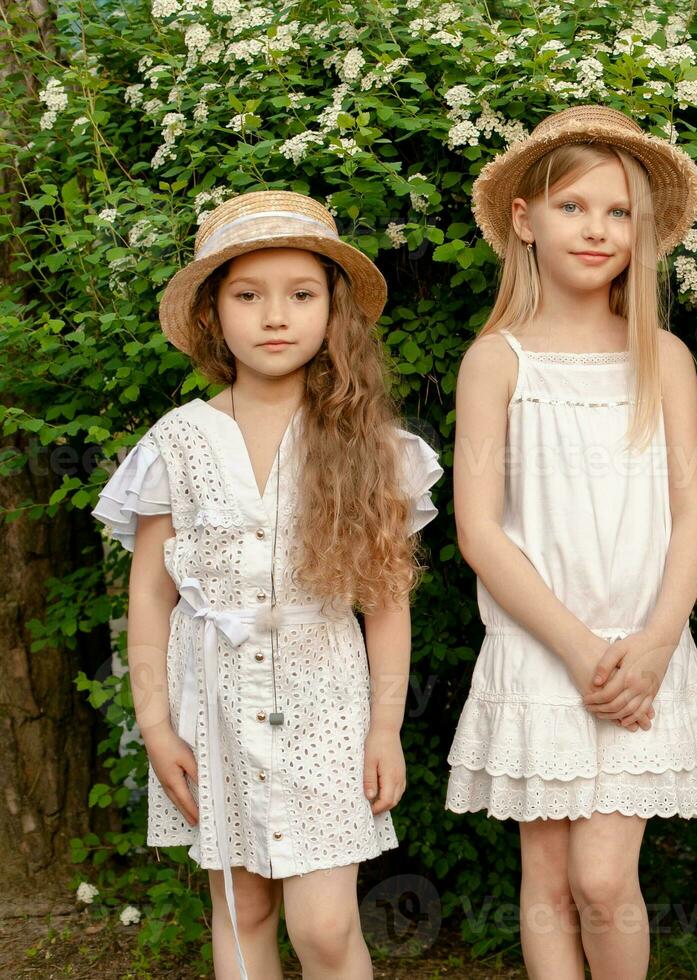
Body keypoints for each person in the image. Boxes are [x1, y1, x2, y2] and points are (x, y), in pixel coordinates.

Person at [92, 189, 443, 978]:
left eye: (300, 294)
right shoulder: (178, 443)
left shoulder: (365, 445)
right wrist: (155, 725)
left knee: (322, 926)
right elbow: (150, 595)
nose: (275, 315)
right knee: (242, 906)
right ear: (216, 315)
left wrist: (386, 729)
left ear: (332, 312)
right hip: (211, 706)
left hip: (325, 705)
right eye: (249, 295)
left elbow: (385, 599)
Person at [445, 106, 697, 979]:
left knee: (606, 880)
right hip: (541, 648)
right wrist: (574, 648)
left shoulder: (665, 359)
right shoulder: (497, 361)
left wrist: (650, 647)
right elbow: (479, 530)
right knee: (550, 877)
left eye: (617, 212)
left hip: (643, 652)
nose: (597, 229)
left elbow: (695, 516)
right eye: (573, 207)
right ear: (525, 222)